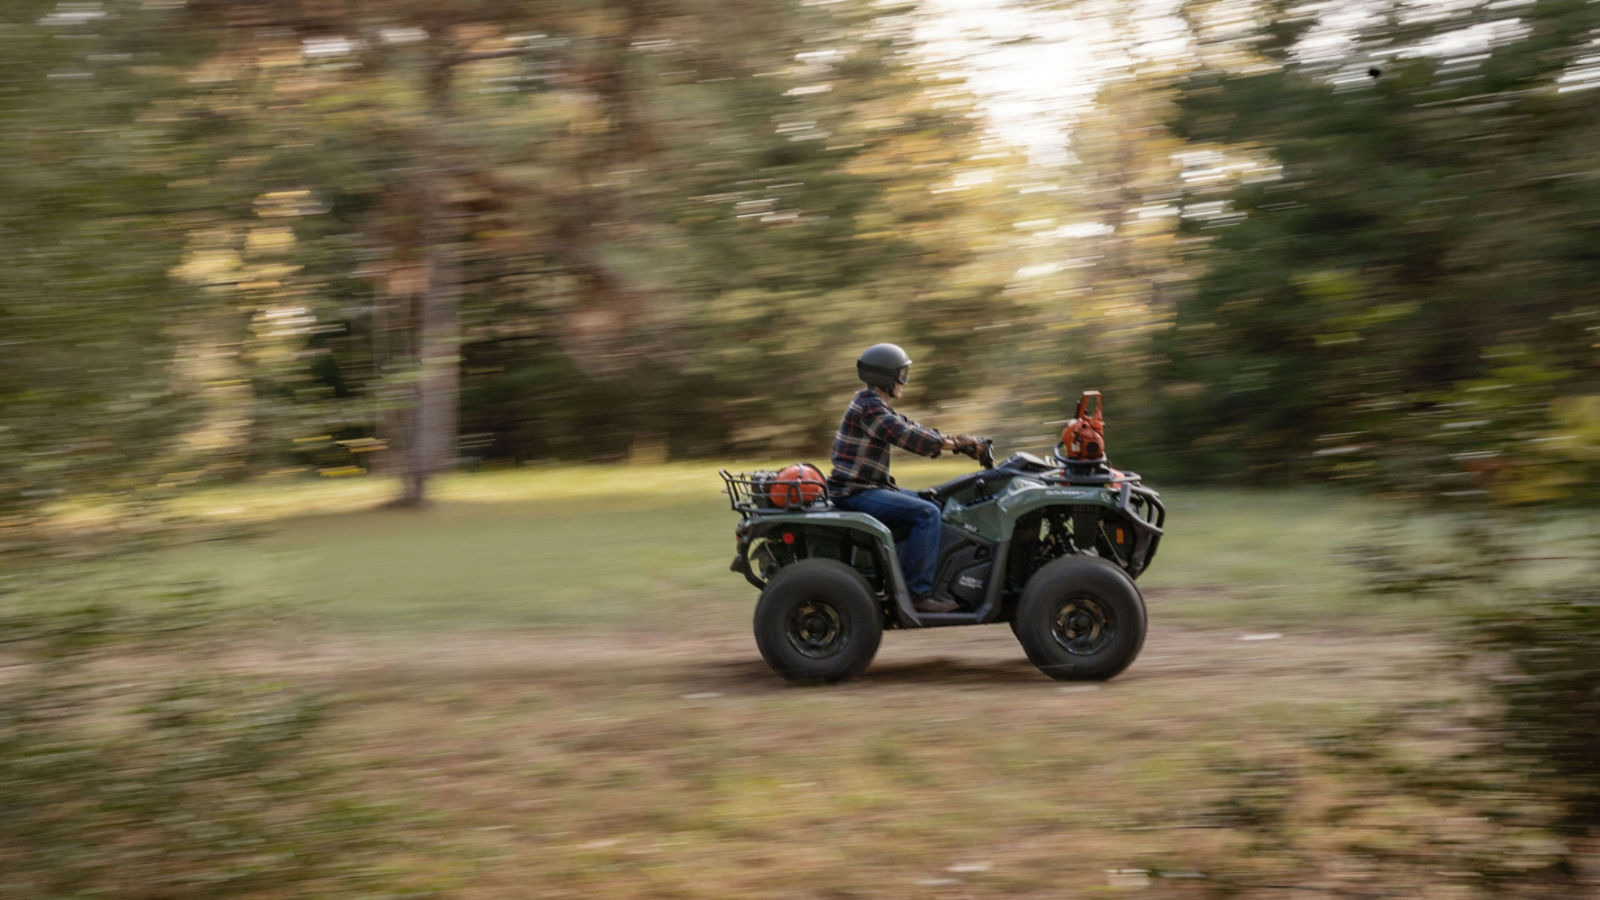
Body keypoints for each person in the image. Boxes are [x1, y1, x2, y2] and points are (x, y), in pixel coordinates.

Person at [827, 343, 981, 614]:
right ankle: (917, 595)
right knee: (926, 513)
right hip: (855, 493)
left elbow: (910, 425)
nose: (904, 381)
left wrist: (956, 441)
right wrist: (955, 445)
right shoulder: (870, 409)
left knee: (936, 501)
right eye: (901, 374)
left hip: (865, 487)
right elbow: (905, 435)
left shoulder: (871, 403)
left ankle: (918, 573)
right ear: (885, 377)